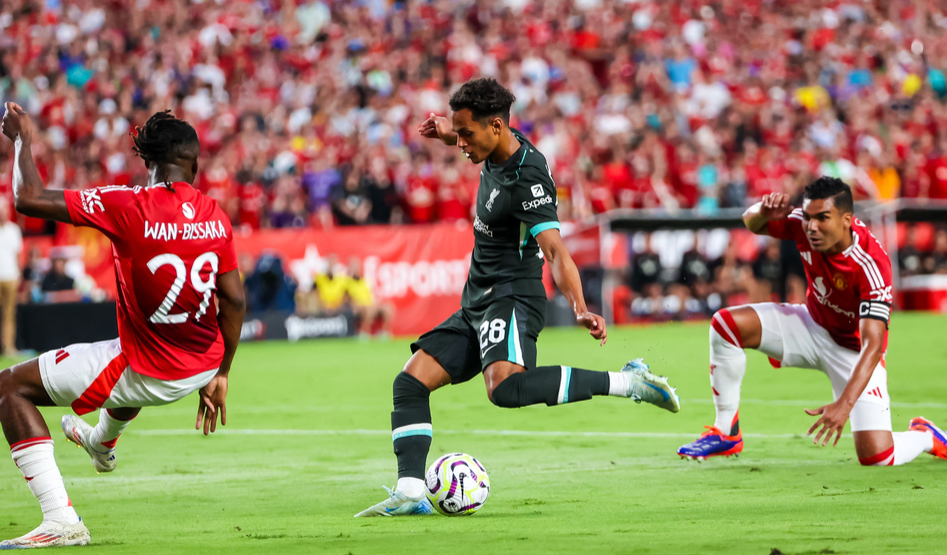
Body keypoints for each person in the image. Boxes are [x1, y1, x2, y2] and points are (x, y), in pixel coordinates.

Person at [355, 78, 680, 518]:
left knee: (505, 389)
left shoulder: (528, 178)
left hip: (512, 295)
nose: (462, 144)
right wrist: (446, 131)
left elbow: (555, 250)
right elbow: (469, 135)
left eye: (466, 134)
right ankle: (411, 492)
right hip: (477, 299)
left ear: (494, 126)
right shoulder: (494, 141)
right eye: (460, 133)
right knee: (410, 382)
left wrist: (581, 307)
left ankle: (630, 382)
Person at [0, 104, 246, 548]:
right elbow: (235, 299)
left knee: (8, 388)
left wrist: (22, 139)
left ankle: (60, 519)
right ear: (195, 163)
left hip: (148, 369)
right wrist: (222, 371)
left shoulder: (126, 204)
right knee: (121, 356)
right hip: (200, 366)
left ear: (147, 161)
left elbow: (28, 198)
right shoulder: (215, 214)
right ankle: (100, 443)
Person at [676, 178, 947, 465]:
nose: (812, 226)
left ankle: (926, 435)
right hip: (810, 325)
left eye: (822, 218)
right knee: (725, 325)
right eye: (807, 217)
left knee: (878, 456)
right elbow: (751, 222)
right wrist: (762, 212)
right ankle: (726, 431)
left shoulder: (871, 265)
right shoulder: (803, 224)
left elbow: (873, 345)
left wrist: (844, 406)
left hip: (853, 353)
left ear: (846, 220)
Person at [0, 198, 21, 356]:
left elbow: (18, 255)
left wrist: (18, 273)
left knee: (9, 313)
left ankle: (8, 347)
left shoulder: (14, 230)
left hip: (10, 276)